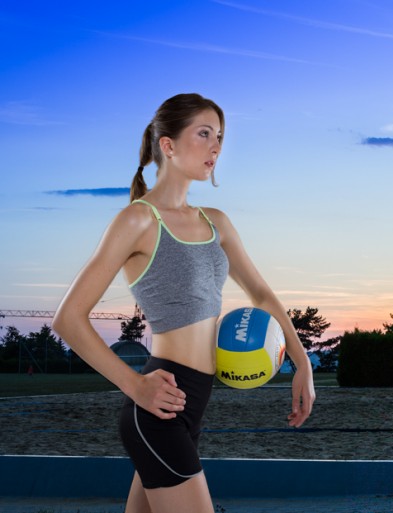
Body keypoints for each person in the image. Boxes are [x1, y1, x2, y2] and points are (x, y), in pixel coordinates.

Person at [53, 93, 315, 513]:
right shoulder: (138, 220)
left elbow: (262, 295)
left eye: (221, 137)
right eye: (204, 134)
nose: (216, 147)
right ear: (168, 145)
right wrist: (134, 383)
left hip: (194, 404)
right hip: (159, 404)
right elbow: (68, 319)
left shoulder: (216, 222)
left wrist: (301, 362)